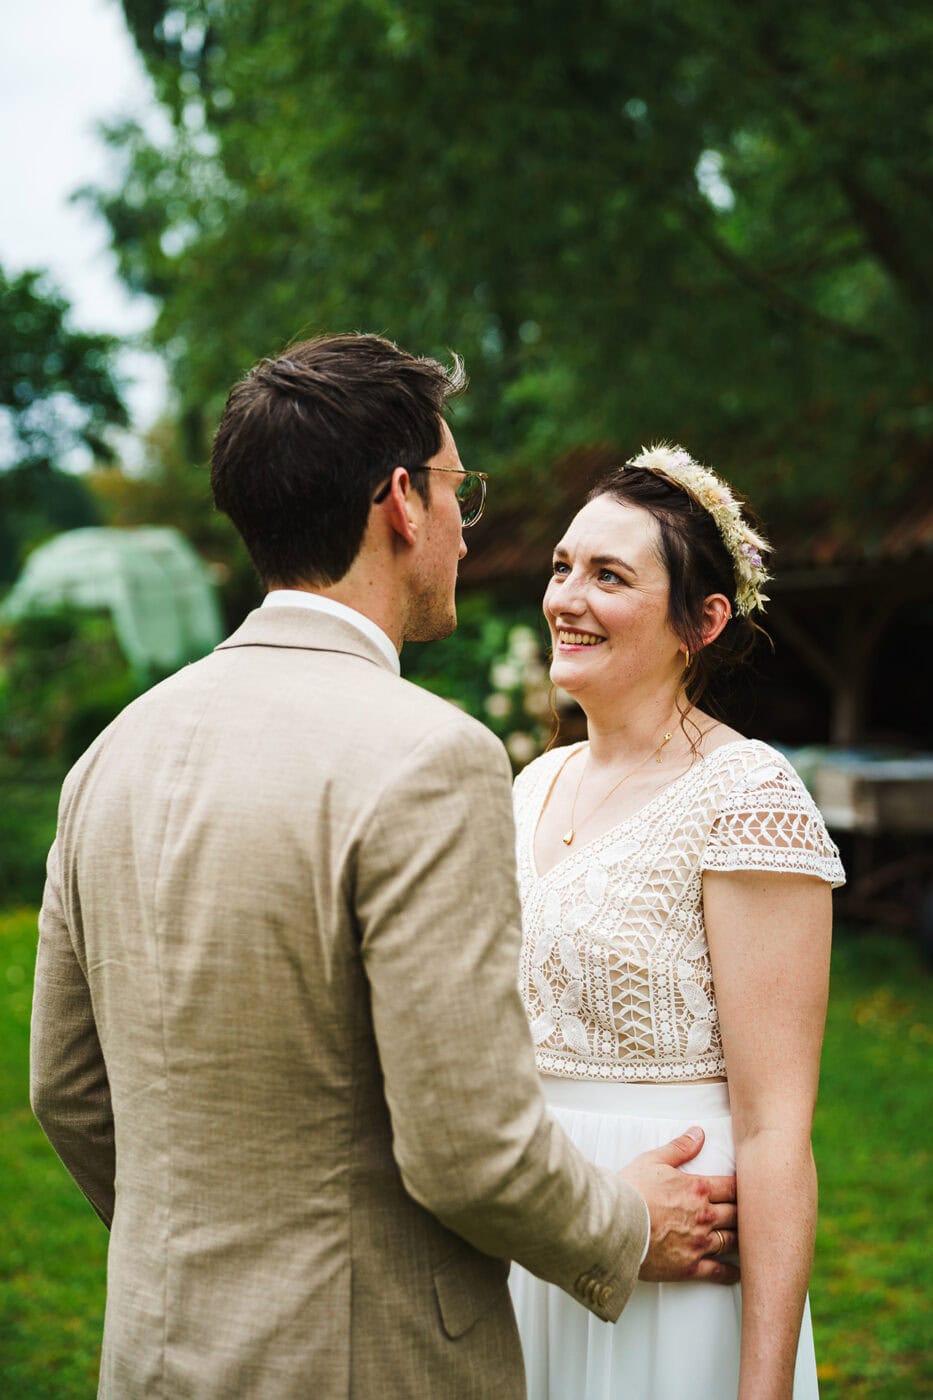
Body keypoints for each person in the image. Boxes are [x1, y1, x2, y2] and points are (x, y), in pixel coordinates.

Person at [30, 341, 740, 1400]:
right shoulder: (430, 756)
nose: (467, 525)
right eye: (460, 489)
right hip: (366, 1361)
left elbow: (66, 1089)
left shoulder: (111, 754)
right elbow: (468, 1147)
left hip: (153, 1353)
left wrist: (207, 1262)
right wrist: (628, 1223)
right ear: (400, 502)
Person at [509, 444, 845, 1400]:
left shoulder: (745, 794)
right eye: (563, 566)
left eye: (609, 576)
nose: (566, 597)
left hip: (687, 1261)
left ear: (700, 622)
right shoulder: (530, 785)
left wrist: (762, 1387)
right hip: (544, 1237)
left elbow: (778, 1129)